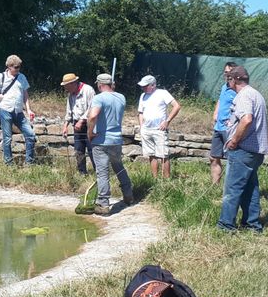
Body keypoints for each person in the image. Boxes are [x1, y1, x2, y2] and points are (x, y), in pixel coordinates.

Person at [217, 66, 268, 233]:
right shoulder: (256, 94)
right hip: (255, 151)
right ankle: (252, 224)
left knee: (232, 189)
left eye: (230, 78)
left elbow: (246, 120)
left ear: (237, 79)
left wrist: (234, 140)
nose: (228, 82)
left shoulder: (244, 95)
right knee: (250, 189)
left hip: (243, 150)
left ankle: (226, 225)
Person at [86, 73, 134, 215]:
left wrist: (90, 132)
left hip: (101, 140)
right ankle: (128, 194)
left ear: (99, 85)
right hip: (116, 140)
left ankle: (103, 204)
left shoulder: (98, 98)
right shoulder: (121, 98)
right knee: (119, 167)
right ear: (111, 84)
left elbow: (93, 115)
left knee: (102, 172)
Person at [0, 54, 36, 165]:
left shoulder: (22, 77)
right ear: (9, 66)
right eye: (16, 67)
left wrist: (29, 109)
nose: (18, 69)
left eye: (19, 67)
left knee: (30, 135)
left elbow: (25, 94)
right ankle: (9, 164)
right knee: (7, 139)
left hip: (19, 111)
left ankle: (29, 163)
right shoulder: (1, 77)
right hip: (5, 110)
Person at [137, 75, 181, 179]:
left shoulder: (163, 93)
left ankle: (166, 180)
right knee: (151, 155)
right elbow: (140, 112)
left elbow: (176, 106)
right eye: (142, 86)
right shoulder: (143, 96)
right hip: (146, 130)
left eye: (145, 86)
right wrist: (141, 126)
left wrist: (167, 121)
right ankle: (155, 179)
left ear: (153, 85)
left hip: (159, 129)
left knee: (163, 155)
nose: (143, 88)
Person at [61, 73, 96, 174]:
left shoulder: (88, 90)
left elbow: (92, 107)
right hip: (77, 125)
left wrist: (82, 120)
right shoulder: (71, 94)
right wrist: (65, 126)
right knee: (78, 150)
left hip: (90, 124)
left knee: (92, 149)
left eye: (66, 86)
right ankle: (82, 173)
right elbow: (69, 111)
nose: (65, 88)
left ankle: (98, 173)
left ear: (73, 83)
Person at [210, 62, 238, 184]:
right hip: (218, 127)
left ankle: (231, 187)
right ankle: (215, 186)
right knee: (213, 157)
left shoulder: (238, 90)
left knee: (232, 159)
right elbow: (220, 101)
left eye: (230, 72)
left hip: (230, 129)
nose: (227, 74)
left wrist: (231, 122)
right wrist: (215, 113)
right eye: (226, 72)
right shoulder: (224, 87)